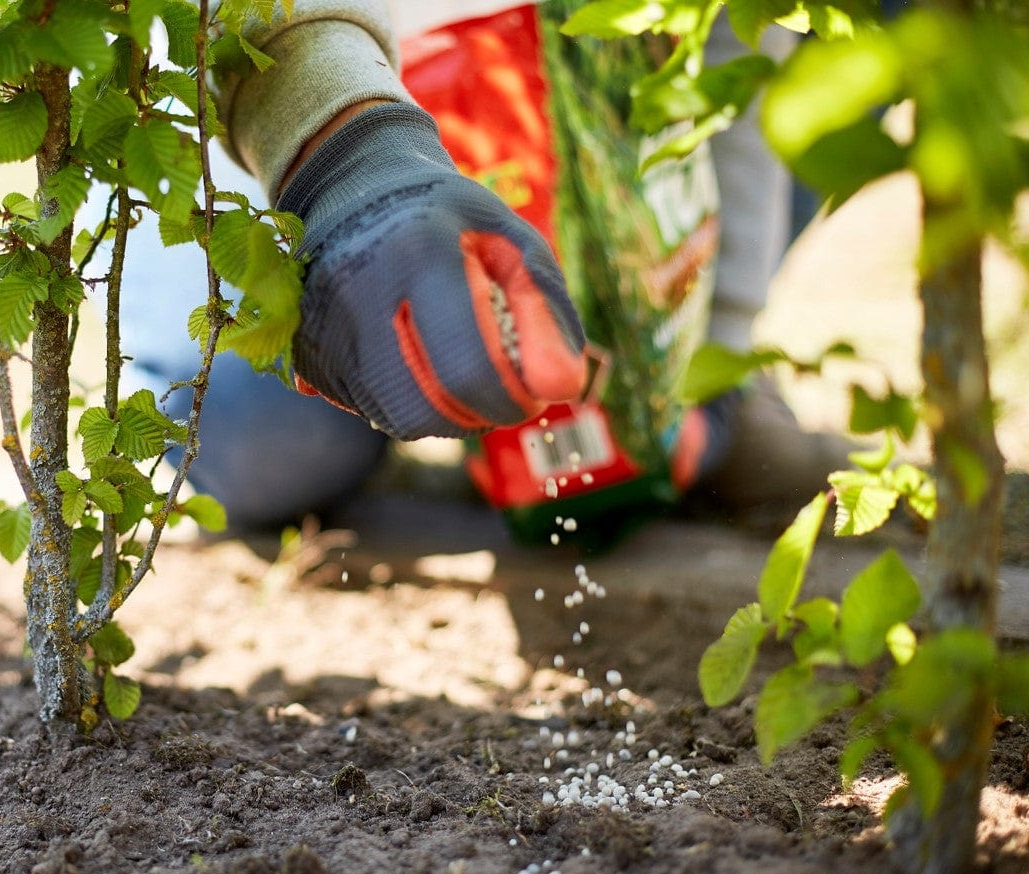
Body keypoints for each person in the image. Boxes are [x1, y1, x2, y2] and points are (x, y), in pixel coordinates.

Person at [118, 1, 849, 530]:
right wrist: (344, 153)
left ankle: (706, 383)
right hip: (288, 85)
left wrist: (713, 346)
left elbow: (734, 35)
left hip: (596, 92)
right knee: (257, 440)